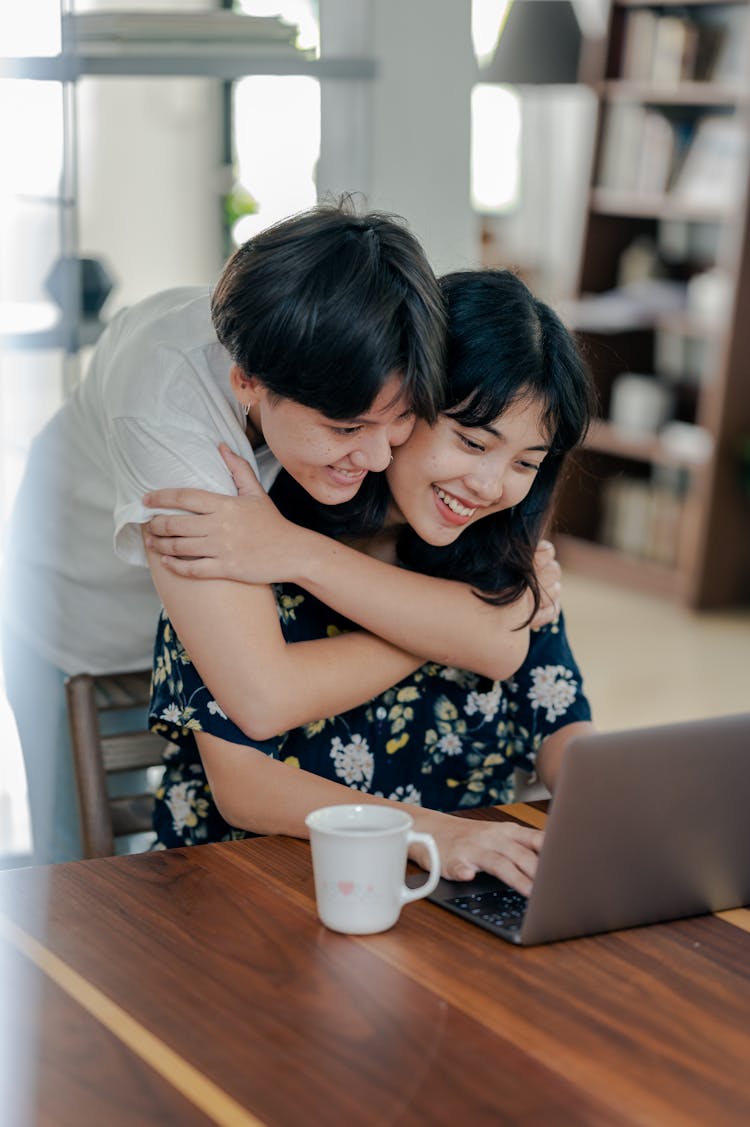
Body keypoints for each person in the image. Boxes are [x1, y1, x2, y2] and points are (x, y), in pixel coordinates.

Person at [0, 198, 449, 863]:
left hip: (215, 634)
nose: (381, 457)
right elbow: (261, 696)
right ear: (248, 382)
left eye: (401, 421)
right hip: (77, 623)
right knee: (81, 878)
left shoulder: (359, 361)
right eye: (347, 429)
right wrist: (438, 633)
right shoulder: (165, 404)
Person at [146, 269, 596, 894]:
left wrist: (615, 806)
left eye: (526, 463)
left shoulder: (503, 558)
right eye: (471, 441)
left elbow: (558, 720)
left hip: (443, 898)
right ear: (402, 407)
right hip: (256, 896)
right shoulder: (245, 536)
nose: (491, 487)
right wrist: (433, 832)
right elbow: (245, 789)